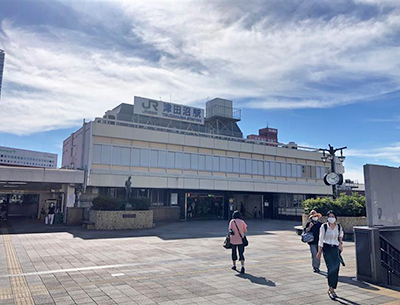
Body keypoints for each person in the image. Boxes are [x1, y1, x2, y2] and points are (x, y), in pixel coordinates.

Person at [316, 211, 344, 300]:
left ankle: (332, 287)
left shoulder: (338, 226)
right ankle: (331, 289)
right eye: (330, 216)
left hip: (335, 249)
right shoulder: (324, 226)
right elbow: (320, 239)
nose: (331, 218)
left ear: (335, 218)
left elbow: (341, 235)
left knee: (336, 268)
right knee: (330, 268)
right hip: (327, 248)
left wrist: (340, 244)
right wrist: (319, 251)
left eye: (333, 216)